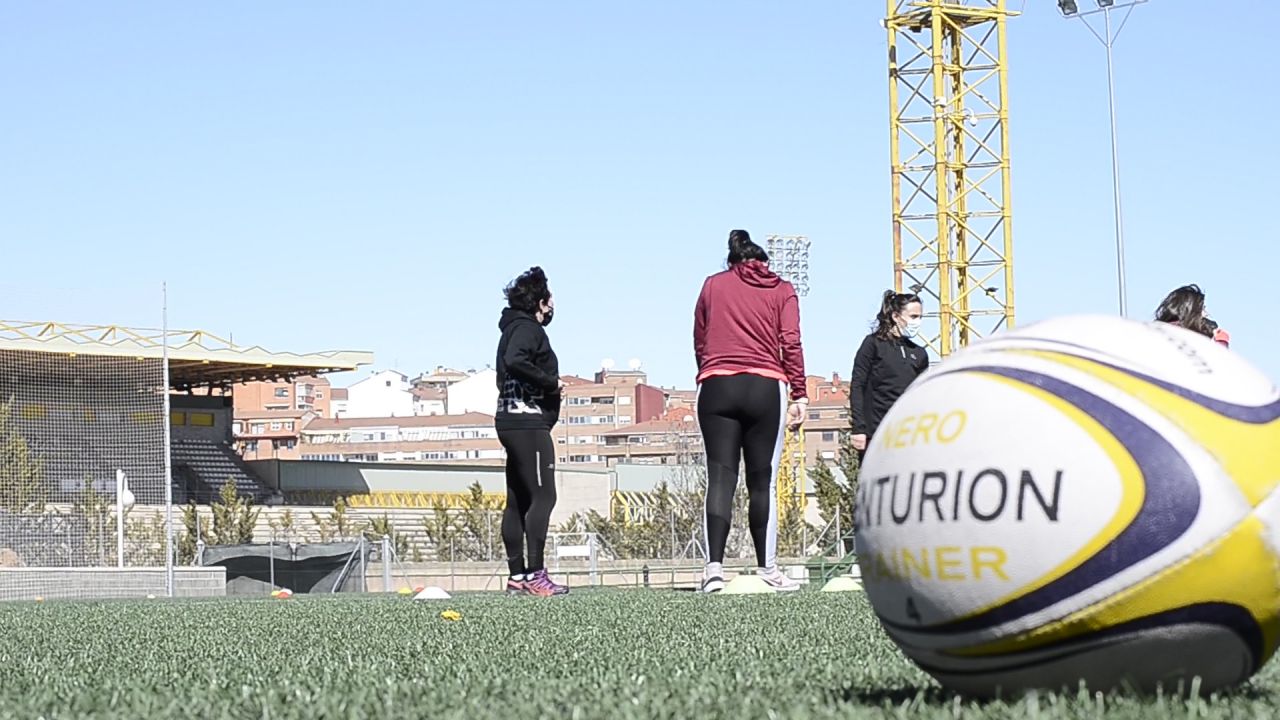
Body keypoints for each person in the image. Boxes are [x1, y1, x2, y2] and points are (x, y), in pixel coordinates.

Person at [692, 229, 808, 594]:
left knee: (721, 478)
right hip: (764, 387)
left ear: (732, 262)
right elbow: (790, 340)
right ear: (764, 263)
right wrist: (800, 394)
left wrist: (709, 369)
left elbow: (699, 335)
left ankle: (713, 570)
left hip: (715, 385)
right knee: (763, 482)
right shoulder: (782, 289)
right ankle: (769, 569)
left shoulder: (712, 285)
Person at [494, 266, 567, 597]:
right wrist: (551, 383)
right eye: (549, 299)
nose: (553, 305)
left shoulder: (509, 329)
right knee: (543, 496)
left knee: (518, 500)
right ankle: (536, 575)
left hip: (510, 421)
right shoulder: (527, 330)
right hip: (527, 424)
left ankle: (517, 577)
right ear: (540, 301)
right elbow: (515, 360)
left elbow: (504, 370)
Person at [848, 290, 930, 459]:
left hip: (908, 434)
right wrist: (859, 428)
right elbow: (857, 385)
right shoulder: (873, 344)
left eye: (920, 317)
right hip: (876, 432)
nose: (918, 322)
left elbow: (922, 395)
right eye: (913, 317)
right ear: (895, 316)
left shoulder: (919, 353)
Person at [1155, 284, 1229, 347]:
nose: (1206, 314)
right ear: (1191, 311)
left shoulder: (1158, 331)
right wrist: (1220, 343)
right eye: (1202, 309)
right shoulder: (1181, 336)